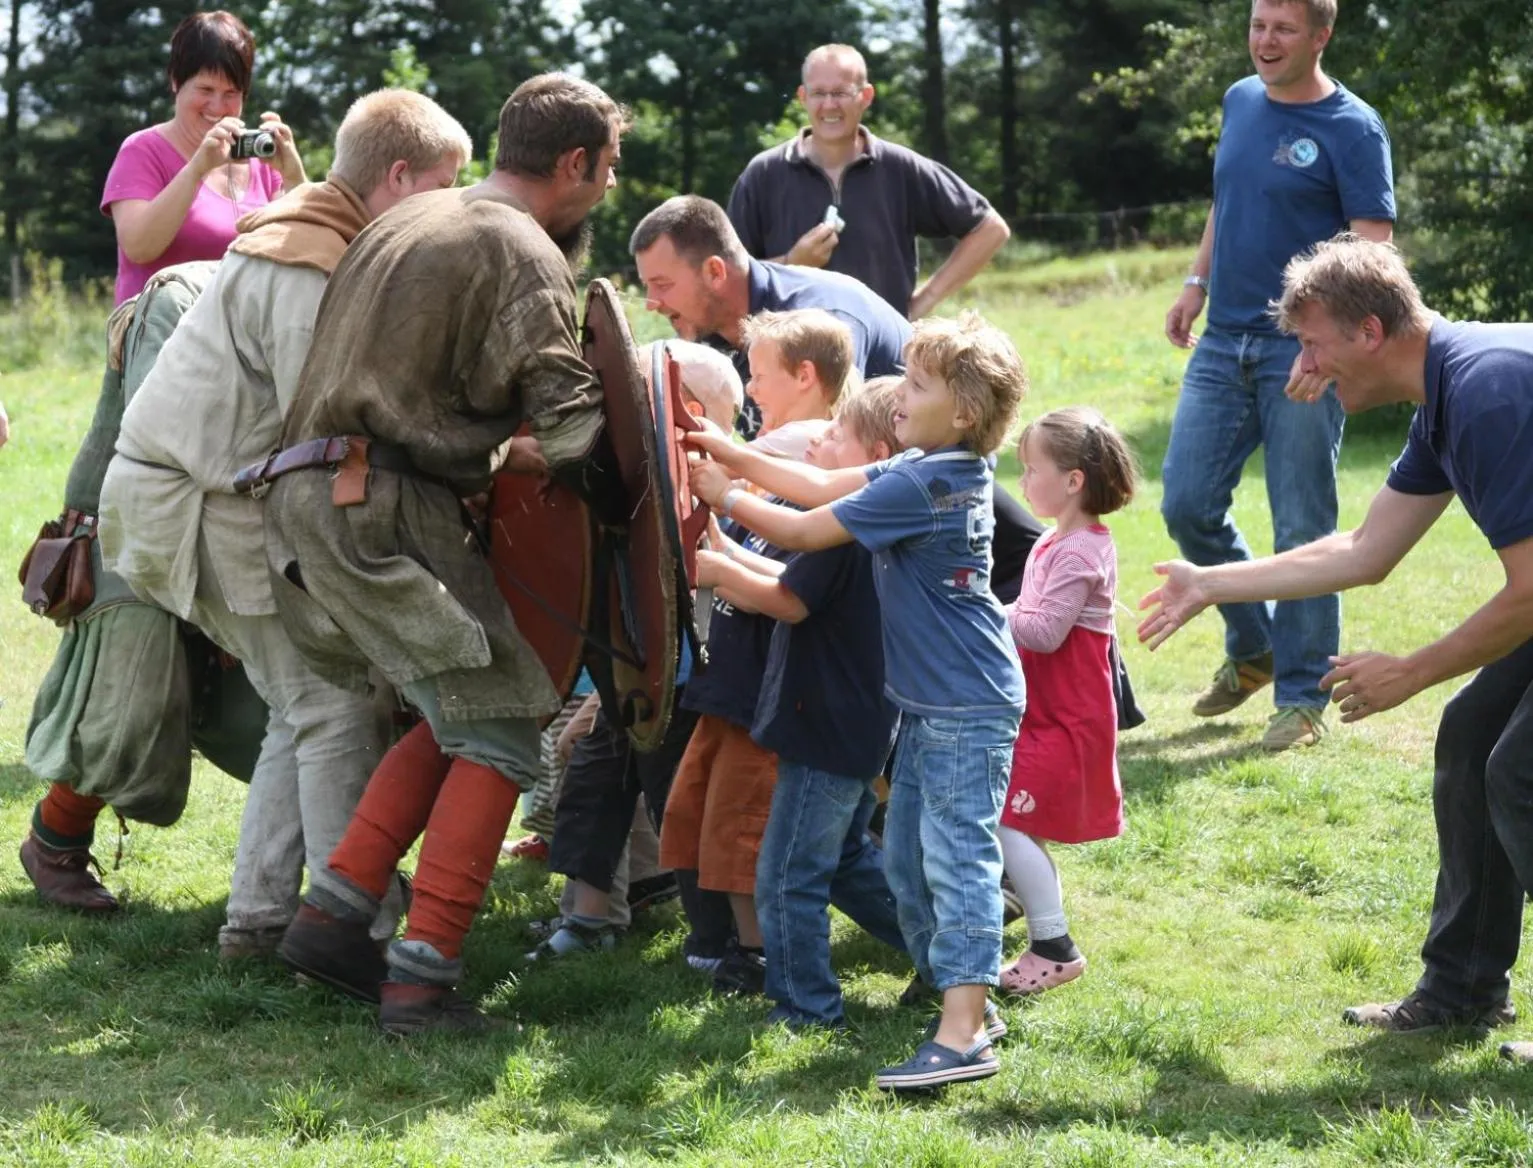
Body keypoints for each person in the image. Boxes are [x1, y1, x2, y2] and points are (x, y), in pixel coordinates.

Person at [260, 73, 627, 1037]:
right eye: (608, 169)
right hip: (384, 505)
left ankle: (334, 921)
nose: (607, 189)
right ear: (575, 163)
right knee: (506, 726)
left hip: (317, 496)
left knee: (452, 710)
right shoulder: (522, 250)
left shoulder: (407, 218)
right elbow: (578, 430)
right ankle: (422, 983)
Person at [98, 89, 473, 959]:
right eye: (442, 185)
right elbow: (327, 426)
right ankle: (356, 930)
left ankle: (259, 923)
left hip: (202, 493)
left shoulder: (319, 235)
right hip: (197, 503)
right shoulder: (306, 263)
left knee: (301, 708)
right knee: (333, 705)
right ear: (397, 175)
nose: (449, 205)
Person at [1138, 236, 1533, 1054]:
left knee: (1519, 769)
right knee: (1473, 738)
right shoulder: (1445, 399)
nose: (1305, 367)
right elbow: (1363, 551)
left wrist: (1414, 670)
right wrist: (1212, 583)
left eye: (1314, 343)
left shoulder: (1487, 393)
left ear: (1369, 333)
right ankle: (1460, 990)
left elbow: (1530, 592)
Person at [686, 311, 1026, 1091]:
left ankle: (965, 1031)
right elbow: (815, 482)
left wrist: (723, 495)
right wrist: (731, 453)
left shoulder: (928, 482)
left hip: (964, 708)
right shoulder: (921, 469)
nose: (898, 393)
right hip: (930, 706)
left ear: (964, 412)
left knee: (955, 867)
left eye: (916, 383)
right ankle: (966, 997)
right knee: (905, 867)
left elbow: (806, 531)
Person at [1157, 0, 1395, 751]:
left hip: (1302, 355)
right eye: (1258, 25)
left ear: (1319, 37)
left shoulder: (1353, 128)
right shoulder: (1239, 100)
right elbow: (1225, 202)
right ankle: (1252, 642)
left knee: (1301, 525)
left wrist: (1324, 348)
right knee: (1186, 501)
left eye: (1283, 28)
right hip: (1223, 340)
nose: (1265, 40)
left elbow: (1372, 251)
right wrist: (1195, 282)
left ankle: (1299, 698)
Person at [18, 263, 270, 917]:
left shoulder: (295, 297)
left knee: (278, 706)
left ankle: (347, 870)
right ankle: (54, 844)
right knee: (123, 706)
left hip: (231, 520)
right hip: (128, 527)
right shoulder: (175, 300)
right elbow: (170, 438)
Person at [694, 379, 908, 1031]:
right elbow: (780, 580)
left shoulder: (845, 529)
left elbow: (787, 601)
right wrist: (719, 545)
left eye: (836, 433)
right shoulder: (855, 516)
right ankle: (950, 956)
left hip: (829, 722)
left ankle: (805, 1009)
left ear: (872, 452)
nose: (820, 437)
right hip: (843, 717)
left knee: (786, 874)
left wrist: (719, 570)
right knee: (841, 860)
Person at [659, 308, 854, 995]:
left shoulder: (803, 443)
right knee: (699, 810)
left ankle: (760, 952)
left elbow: (787, 593)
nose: (751, 389)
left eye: (759, 374)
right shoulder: (788, 452)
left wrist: (717, 485)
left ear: (804, 377)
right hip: (733, 688)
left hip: (766, 695)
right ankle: (721, 939)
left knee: (741, 824)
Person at [998, 407, 1137, 997]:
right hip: (1045, 707)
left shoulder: (1079, 551)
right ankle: (1039, 930)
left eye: (1032, 470)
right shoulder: (1059, 541)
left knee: (1008, 819)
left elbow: (1045, 631)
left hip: (1067, 714)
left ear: (1073, 480)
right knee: (1018, 821)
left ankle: (1054, 946)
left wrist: (982, 613)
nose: (1023, 482)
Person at [728, 43, 1010, 320]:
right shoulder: (763, 174)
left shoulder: (900, 167)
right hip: (788, 361)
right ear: (803, 97)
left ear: (866, 95)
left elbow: (989, 229)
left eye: (840, 92)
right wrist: (790, 264)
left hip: (884, 358)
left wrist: (924, 301)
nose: (829, 104)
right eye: (818, 93)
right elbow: (729, 274)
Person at [630, 194, 909, 438]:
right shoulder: (706, 330)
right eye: (647, 286)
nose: (651, 304)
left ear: (715, 272)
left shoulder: (818, 320)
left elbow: (829, 463)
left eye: (663, 285)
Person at [102, 11, 305, 305]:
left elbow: (299, 250)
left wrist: (295, 176)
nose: (218, 106)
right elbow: (139, 246)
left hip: (244, 339)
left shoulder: (261, 161)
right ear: (175, 82)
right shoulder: (142, 150)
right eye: (206, 89)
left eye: (231, 93)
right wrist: (197, 168)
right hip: (164, 338)